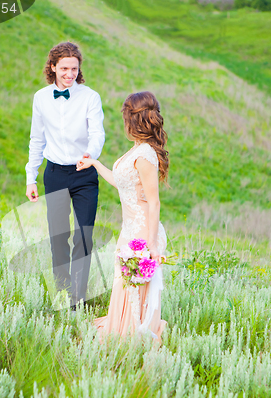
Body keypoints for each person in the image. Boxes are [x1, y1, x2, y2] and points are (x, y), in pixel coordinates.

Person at [77, 91, 168, 342]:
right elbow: (123, 183)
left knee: (134, 289)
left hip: (142, 233)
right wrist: (94, 164)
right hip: (129, 230)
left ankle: (132, 335)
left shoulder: (146, 155)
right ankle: (123, 329)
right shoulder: (137, 149)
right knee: (125, 284)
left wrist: (150, 244)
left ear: (133, 120)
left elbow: (154, 201)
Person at [25, 42, 105, 308]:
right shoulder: (40, 97)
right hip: (55, 173)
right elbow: (36, 139)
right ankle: (62, 289)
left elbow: (97, 133)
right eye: (64, 69)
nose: (70, 73)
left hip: (84, 174)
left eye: (74, 68)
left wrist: (90, 155)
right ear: (53, 67)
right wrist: (31, 177)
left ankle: (77, 298)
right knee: (58, 236)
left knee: (84, 235)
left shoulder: (90, 97)